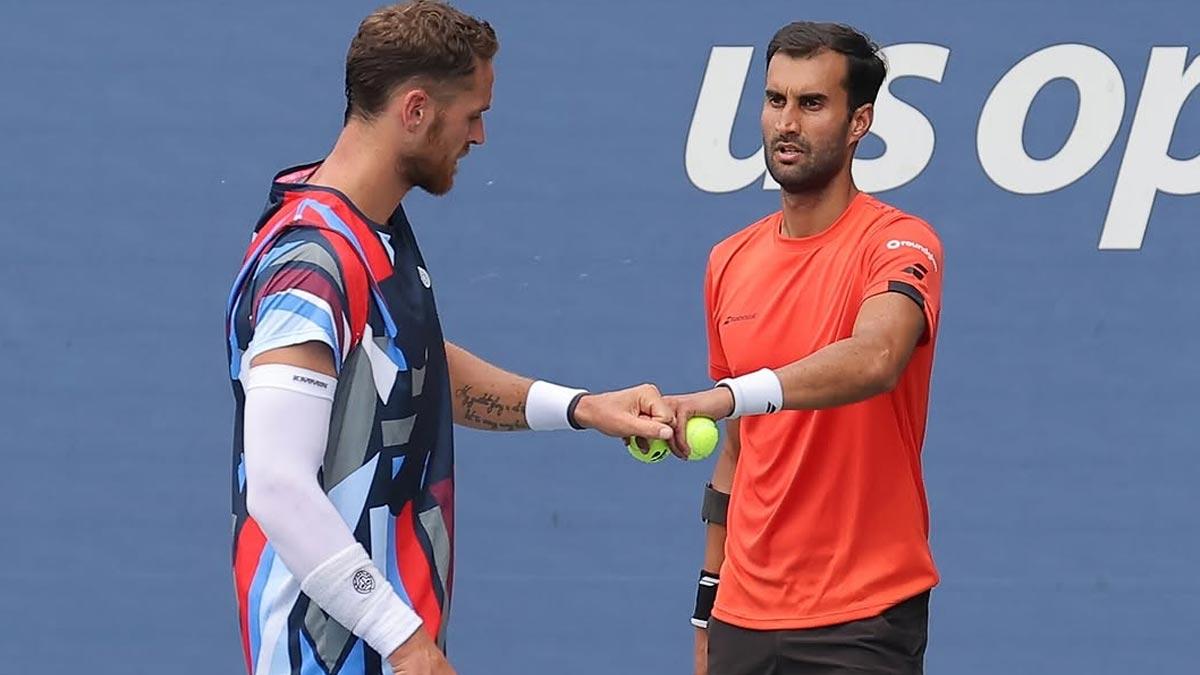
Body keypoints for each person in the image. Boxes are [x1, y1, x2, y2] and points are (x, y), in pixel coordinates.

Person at [222, 3, 675, 674]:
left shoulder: (373, 229)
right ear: (415, 110)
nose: (481, 135)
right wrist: (403, 639)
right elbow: (279, 485)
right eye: (473, 114)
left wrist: (582, 408)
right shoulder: (311, 267)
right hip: (326, 658)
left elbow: (414, 365)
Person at [663, 22, 946, 675]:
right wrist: (706, 608)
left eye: (812, 104)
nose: (785, 122)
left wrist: (729, 392)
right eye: (775, 99)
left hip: (862, 619)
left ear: (859, 122)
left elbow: (877, 356)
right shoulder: (728, 260)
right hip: (742, 616)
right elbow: (737, 450)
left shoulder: (901, 243)